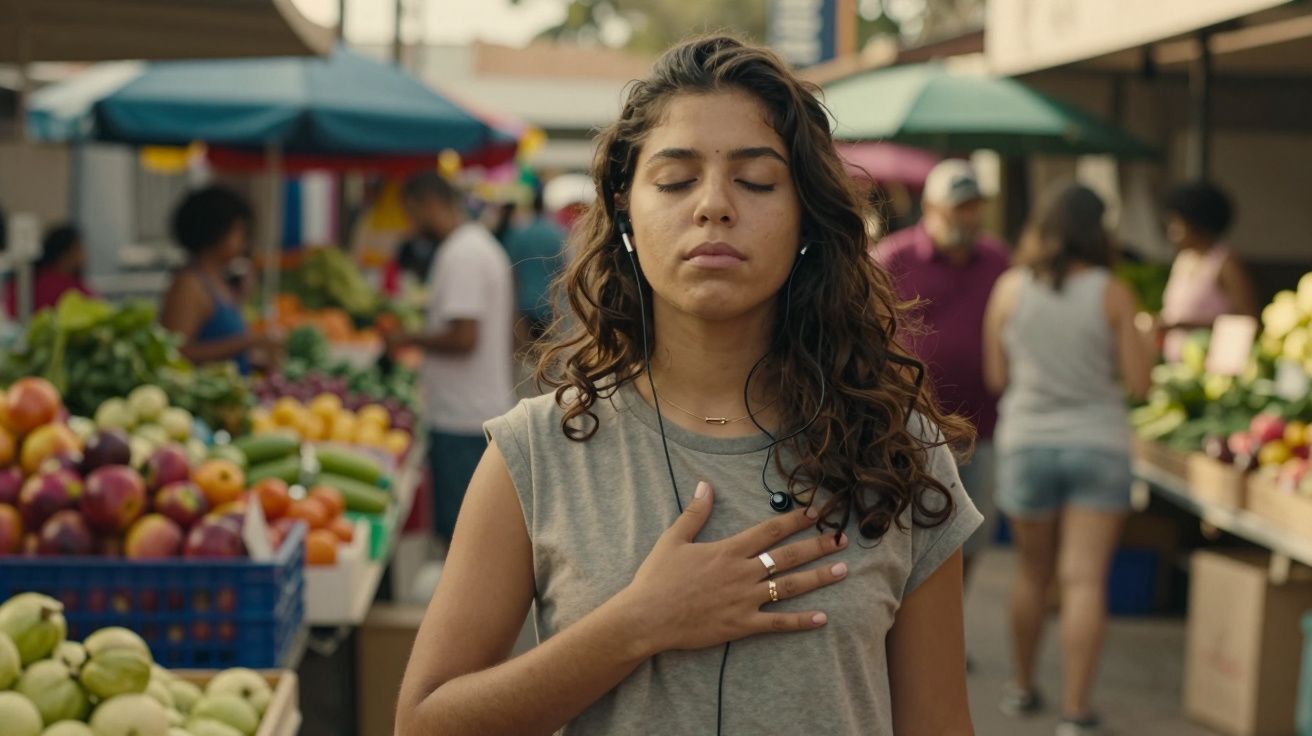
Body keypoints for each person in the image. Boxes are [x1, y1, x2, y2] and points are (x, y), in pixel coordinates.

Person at [395, 36, 980, 736]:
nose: (713, 206)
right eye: (675, 180)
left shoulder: (899, 454)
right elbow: (424, 722)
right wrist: (637, 624)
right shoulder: (535, 453)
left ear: (805, 218)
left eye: (757, 181)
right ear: (623, 212)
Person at [982, 184, 1153, 736]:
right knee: (1083, 581)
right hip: (1098, 443)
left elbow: (996, 378)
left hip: (1028, 440)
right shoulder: (1113, 292)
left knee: (1032, 574)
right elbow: (1140, 382)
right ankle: (1076, 713)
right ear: (1097, 230)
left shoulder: (1009, 289)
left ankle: (1022, 688)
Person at [874, 159, 1010, 580]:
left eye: (973, 207)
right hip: (908, 426)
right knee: (906, 538)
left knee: (969, 540)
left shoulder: (998, 260)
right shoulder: (893, 257)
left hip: (979, 426)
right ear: (931, 208)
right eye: (958, 207)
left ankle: (952, 635)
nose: (967, 218)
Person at [389, 172, 516, 544]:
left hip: (463, 417)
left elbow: (464, 337)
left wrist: (408, 337)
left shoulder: (464, 254)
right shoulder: (473, 247)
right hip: (471, 409)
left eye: (411, 213)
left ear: (427, 203)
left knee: (465, 537)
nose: (411, 225)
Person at [161, 185, 277, 374]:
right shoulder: (189, 285)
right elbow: (177, 353)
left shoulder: (218, 281)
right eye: (239, 231)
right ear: (217, 232)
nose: (244, 241)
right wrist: (250, 341)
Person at [1158, 181, 1258, 360]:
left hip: (1214, 367)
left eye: (1178, 224)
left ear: (1198, 225)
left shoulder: (1225, 263)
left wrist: (1186, 326)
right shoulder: (1183, 261)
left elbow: (1247, 320)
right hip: (1178, 366)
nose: (1173, 232)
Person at [499, 185, 567, 341]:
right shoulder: (556, 234)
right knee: (548, 351)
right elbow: (563, 269)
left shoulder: (520, 234)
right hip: (550, 303)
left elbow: (511, 269)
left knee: (528, 352)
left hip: (525, 303)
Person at [6, 224, 94, 316]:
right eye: (80, 249)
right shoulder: (67, 288)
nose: (85, 255)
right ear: (69, 253)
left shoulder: (32, 280)